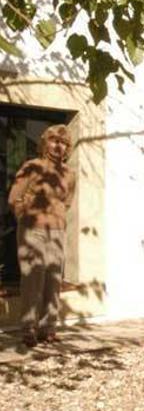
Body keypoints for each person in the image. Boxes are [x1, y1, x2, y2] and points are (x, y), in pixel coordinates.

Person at [7, 124, 76, 347]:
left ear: (68, 148)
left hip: (56, 231)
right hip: (32, 230)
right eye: (55, 141)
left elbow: (66, 202)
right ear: (45, 142)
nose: (59, 146)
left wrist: (56, 219)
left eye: (64, 143)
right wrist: (26, 217)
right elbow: (14, 198)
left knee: (53, 280)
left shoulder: (69, 173)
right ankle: (28, 329)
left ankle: (48, 328)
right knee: (33, 279)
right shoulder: (32, 166)